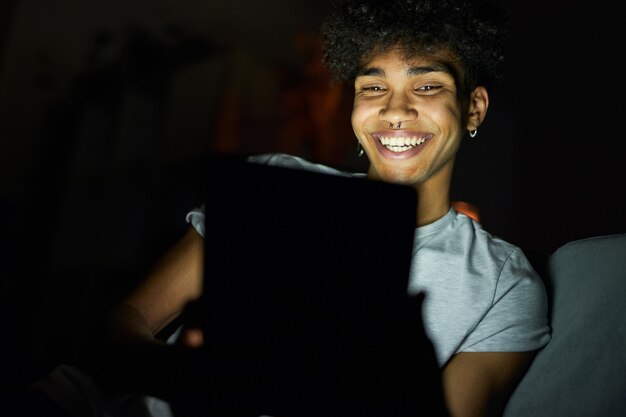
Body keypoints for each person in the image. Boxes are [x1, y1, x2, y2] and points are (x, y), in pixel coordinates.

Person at [28, 0, 551, 417]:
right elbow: (124, 322)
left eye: (427, 85)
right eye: (374, 87)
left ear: (473, 107)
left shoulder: (502, 285)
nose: (395, 110)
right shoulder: (279, 183)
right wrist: (187, 373)